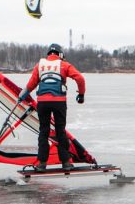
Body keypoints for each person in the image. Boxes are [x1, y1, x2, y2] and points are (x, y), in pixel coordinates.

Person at [18, 43, 86, 171]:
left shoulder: (40, 65)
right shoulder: (64, 65)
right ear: (60, 54)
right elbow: (80, 79)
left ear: (48, 54)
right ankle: (66, 163)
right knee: (60, 130)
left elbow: (30, 85)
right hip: (59, 102)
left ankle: (42, 163)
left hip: (42, 103)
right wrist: (81, 95)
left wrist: (21, 97)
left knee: (44, 131)